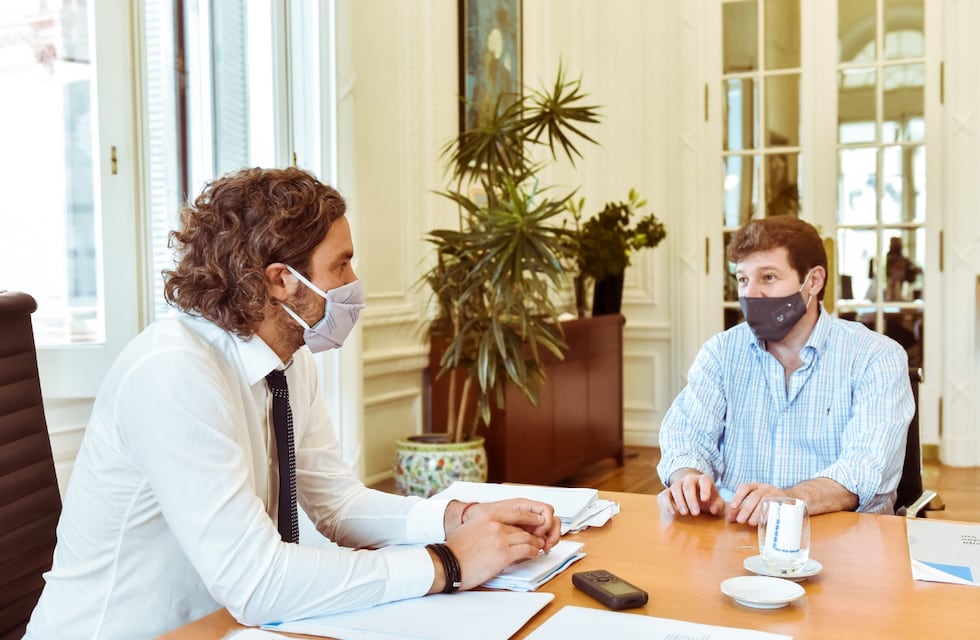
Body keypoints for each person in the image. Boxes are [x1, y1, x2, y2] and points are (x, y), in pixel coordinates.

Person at [25, 167, 561, 640]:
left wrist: (460, 519)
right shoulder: (174, 372)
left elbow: (337, 505)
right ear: (282, 280)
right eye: (342, 266)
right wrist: (448, 564)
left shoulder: (287, 361)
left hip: (222, 628)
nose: (355, 285)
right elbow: (257, 582)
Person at [657, 216, 914, 526]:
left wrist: (788, 501)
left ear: (814, 281)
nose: (751, 294)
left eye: (768, 277)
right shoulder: (721, 353)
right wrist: (689, 478)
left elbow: (866, 468)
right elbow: (686, 437)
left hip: (840, 538)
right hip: (735, 533)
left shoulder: (876, 357)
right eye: (743, 279)